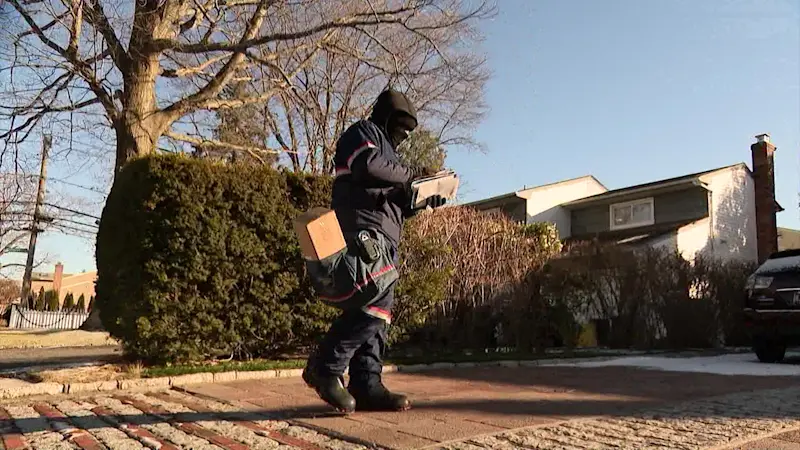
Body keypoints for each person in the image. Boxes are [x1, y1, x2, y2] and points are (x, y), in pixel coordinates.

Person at [302, 89, 446, 413]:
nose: (405, 134)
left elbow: (398, 204)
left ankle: (366, 382)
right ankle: (325, 366)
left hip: (386, 238)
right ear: (385, 116)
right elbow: (364, 164)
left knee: (377, 308)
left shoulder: (393, 161)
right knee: (375, 300)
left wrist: (424, 198)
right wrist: (411, 177)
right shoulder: (362, 133)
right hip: (362, 230)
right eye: (400, 125)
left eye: (410, 130)